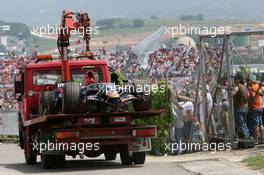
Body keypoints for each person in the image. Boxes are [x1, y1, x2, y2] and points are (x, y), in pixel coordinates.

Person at [232, 73, 251, 148]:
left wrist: (230, 90)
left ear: (239, 80)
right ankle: (247, 142)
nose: (234, 80)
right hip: (244, 108)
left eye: (235, 79)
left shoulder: (238, 87)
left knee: (241, 126)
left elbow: (232, 94)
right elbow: (248, 98)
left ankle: (245, 143)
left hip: (239, 109)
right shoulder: (245, 87)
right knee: (244, 125)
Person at [247, 74, 264, 143]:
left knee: (255, 124)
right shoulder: (257, 86)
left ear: (251, 80)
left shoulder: (252, 88)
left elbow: (252, 97)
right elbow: (261, 94)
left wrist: (249, 104)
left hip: (254, 107)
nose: (247, 82)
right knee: (260, 123)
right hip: (259, 107)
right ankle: (262, 138)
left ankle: (256, 139)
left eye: (248, 80)